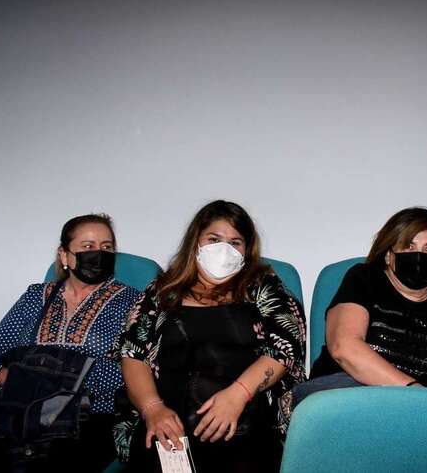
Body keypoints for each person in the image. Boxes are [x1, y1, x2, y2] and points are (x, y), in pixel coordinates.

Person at [0, 213, 142, 472]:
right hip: (21, 408)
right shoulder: (36, 296)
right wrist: (5, 377)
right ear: (65, 256)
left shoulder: (133, 302)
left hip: (90, 415)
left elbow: (139, 368)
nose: (98, 253)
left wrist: (62, 380)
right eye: (88, 246)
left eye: (107, 247)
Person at [113, 200, 306, 473]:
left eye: (235, 242)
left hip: (245, 416)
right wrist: (153, 409)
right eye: (214, 239)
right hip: (168, 420)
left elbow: (284, 349)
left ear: (247, 250)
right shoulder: (162, 291)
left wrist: (237, 396)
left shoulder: (265, 287)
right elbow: (132, 354)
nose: (224, 250)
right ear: (196, 242)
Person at [293, 207, 427, 407]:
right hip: (349, 393)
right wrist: (413, 390)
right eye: (408, 246)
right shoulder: (364, 278)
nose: (419, 255)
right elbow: (344, 347)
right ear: (388, 255)